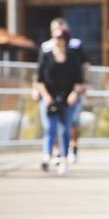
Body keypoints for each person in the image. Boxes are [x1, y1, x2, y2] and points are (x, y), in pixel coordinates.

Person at [38, 18, 89, 163]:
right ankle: (55, 154)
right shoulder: (46, 49)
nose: (57, 37)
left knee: (71, 124)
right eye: (54, 32)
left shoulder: (75, 48)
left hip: (71, 94)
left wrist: (79, 89)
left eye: (60, 33)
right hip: (51, 95)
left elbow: (84, 67)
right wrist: (39, 92)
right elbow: (39, 75)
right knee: (51, 127)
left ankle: (72, 148)